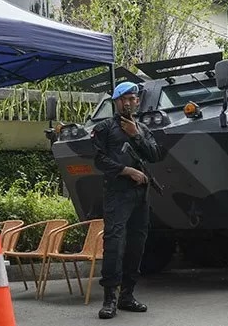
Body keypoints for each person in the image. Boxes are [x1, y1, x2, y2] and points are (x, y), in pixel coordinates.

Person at [91, 81, 165, 320]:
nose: (133, 103)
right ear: (118, 101)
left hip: (140, 195)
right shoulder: (104, 128)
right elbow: (99, 160)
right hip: (117, 193)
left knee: (137, 243)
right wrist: (126, 170)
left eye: (135, 99)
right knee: (114, 244)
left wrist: (137, 136)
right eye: (128, 99)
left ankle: (127, 295)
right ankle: (109, 299)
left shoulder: (141, 128)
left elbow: (154, 155)